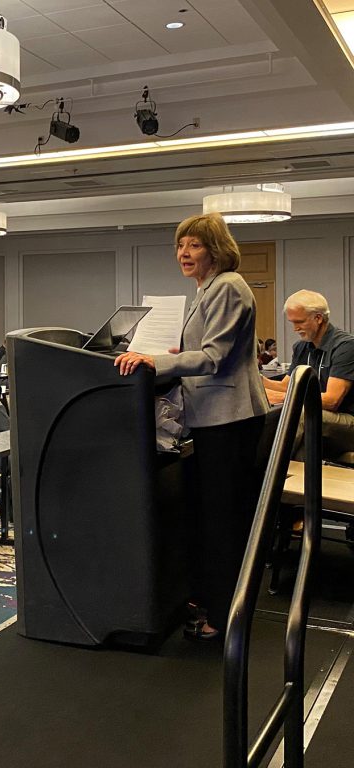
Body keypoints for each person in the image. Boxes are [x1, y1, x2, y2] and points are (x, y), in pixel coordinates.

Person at [114, 212, 268, 641]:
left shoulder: (228, 286)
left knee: (223, 520)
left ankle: (224, 618)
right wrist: (174, 353)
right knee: (209, 514)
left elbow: (214, 357)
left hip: (229, 419)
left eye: (194, 245)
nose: (184, 253)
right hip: (213, 418)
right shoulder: (208, 289)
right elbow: (205, 350)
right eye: (180, 245)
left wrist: (155, 361)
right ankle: (214, 599)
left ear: (215, 250)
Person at [262, 290, 354, 460]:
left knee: (302, 414)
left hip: (348, 420)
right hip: (322, 417)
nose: (295, 328)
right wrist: (256, 380)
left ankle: (270, 469)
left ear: (318, 318)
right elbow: (286, 386)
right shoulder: (301, 347)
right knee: (283, 417)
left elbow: (332, 401)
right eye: (292, 322)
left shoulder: (345, 347)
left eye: (299, 322)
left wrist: (283, 398)